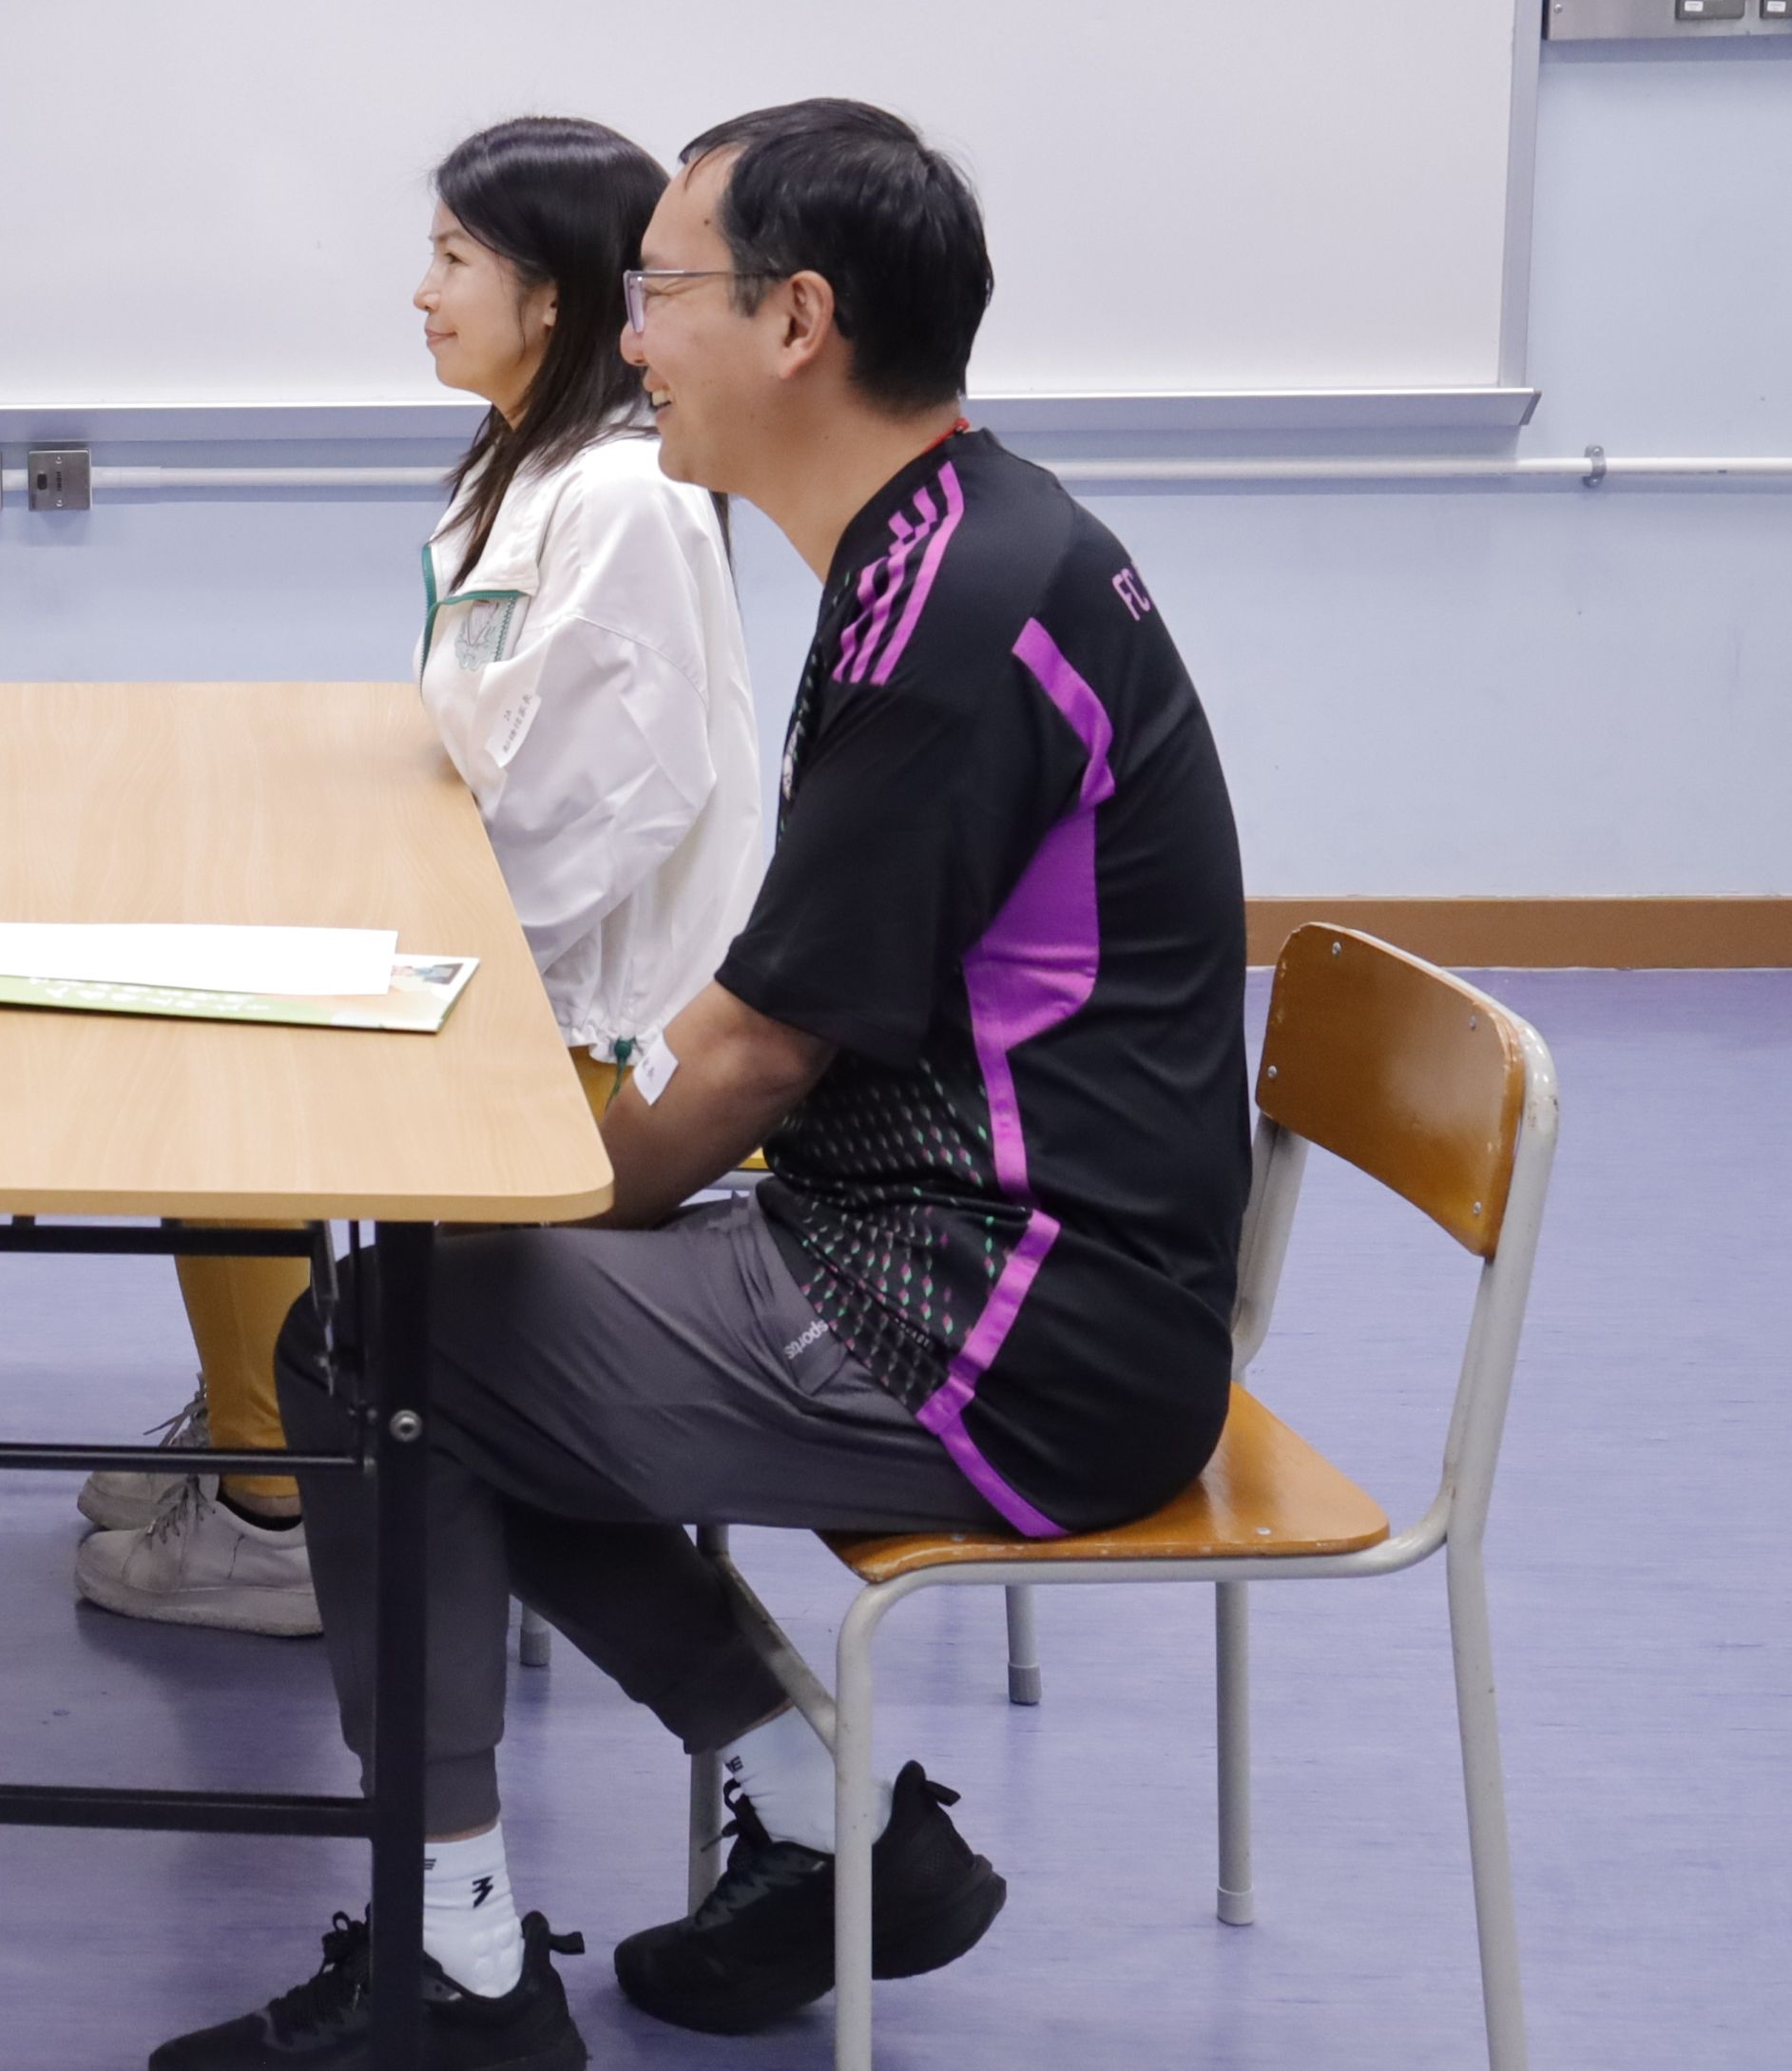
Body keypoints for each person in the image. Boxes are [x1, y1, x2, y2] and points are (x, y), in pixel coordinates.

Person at [157, 101, 1250, 2069]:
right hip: (979, 1259)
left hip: (1002, 1325)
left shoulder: (954, 614)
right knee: (445, 1338)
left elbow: (754, 1048)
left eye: (658, 293)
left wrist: (532, 1187)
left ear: (796, 323)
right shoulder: (949, 541)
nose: (631, 337)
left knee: (381, 1346)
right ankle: (829, 1824)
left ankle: (455, 1972)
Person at [76, 118, 760, 1642]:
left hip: (582, 1028)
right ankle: (262, 1415)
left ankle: (276, 1506)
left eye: (454, 259)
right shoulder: (523, 468)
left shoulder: (623, 497)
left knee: (218, 1075)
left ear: (554, 297)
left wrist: (390, 958)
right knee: (198, 995)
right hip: (514, 959)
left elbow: (617, 807)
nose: (421, 293)